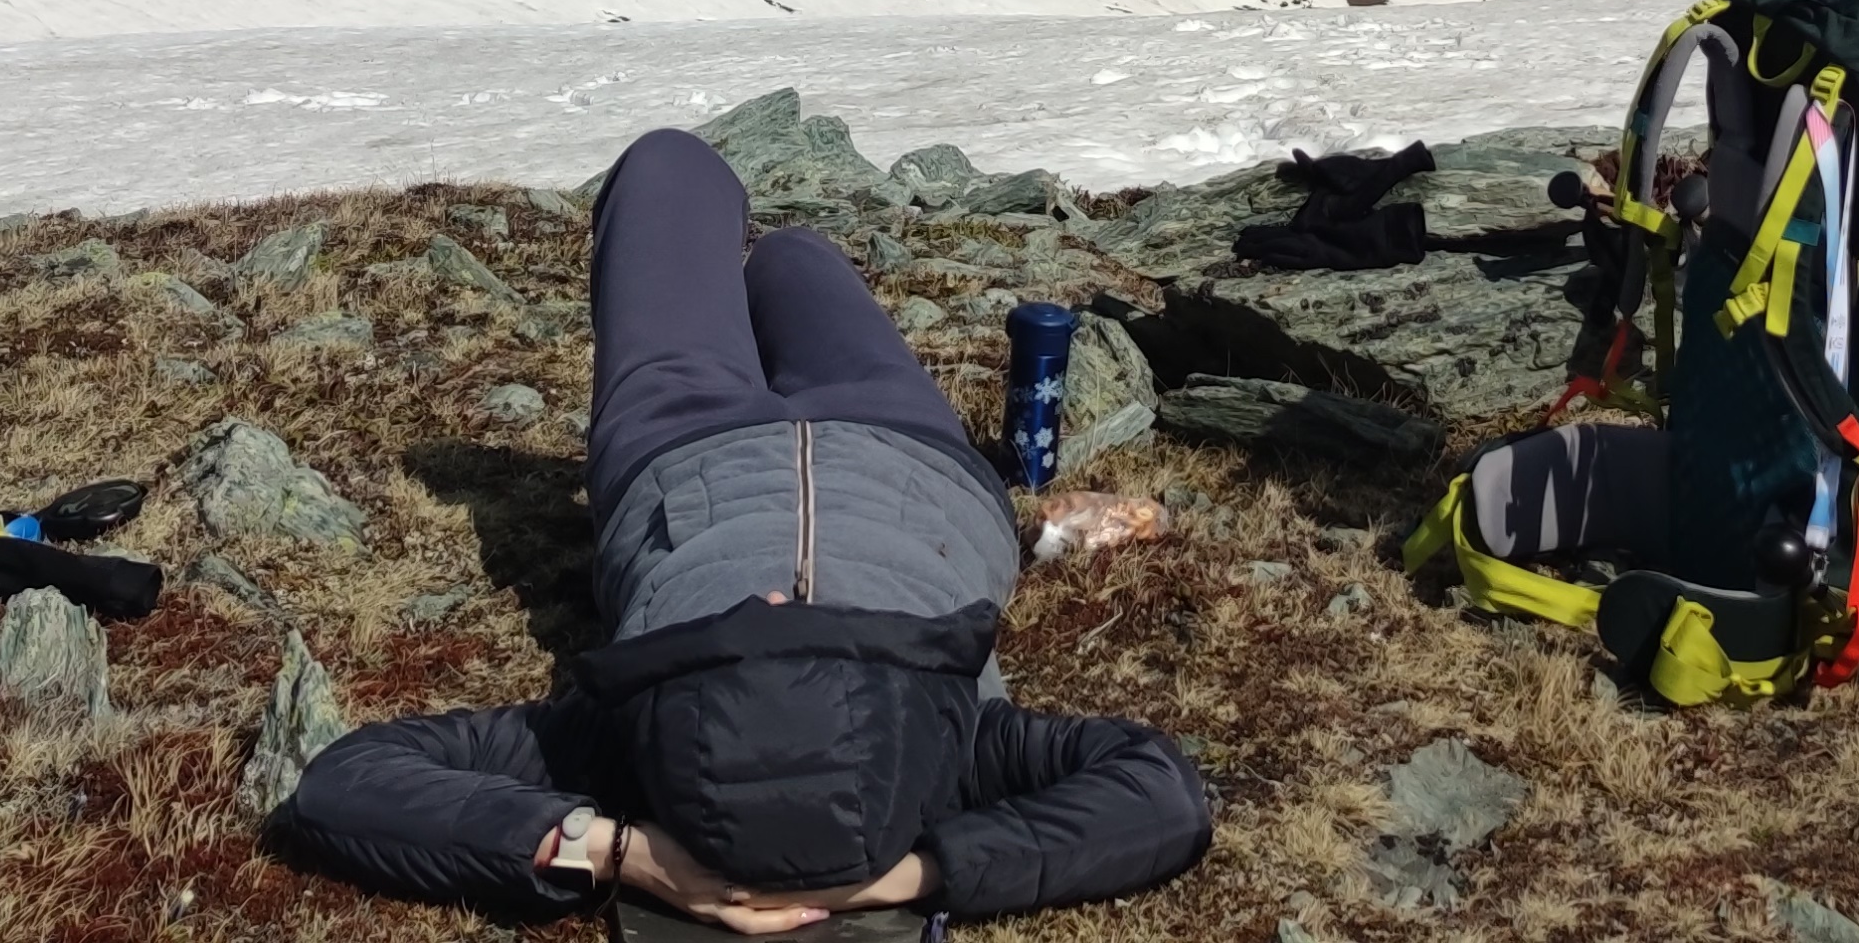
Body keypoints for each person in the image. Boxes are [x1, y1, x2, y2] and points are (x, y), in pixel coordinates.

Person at [262, 127, 1212, 933]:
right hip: (909, 451)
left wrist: (621, 851)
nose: (772, 604)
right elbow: (1161, 795)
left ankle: (753, 257)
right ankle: (780, 255)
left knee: (669, 166)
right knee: (795, 258)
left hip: (682, 450)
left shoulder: (630, 744)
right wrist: (914, 876)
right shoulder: (951, 746)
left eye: (731, 638)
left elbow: (346, 783)